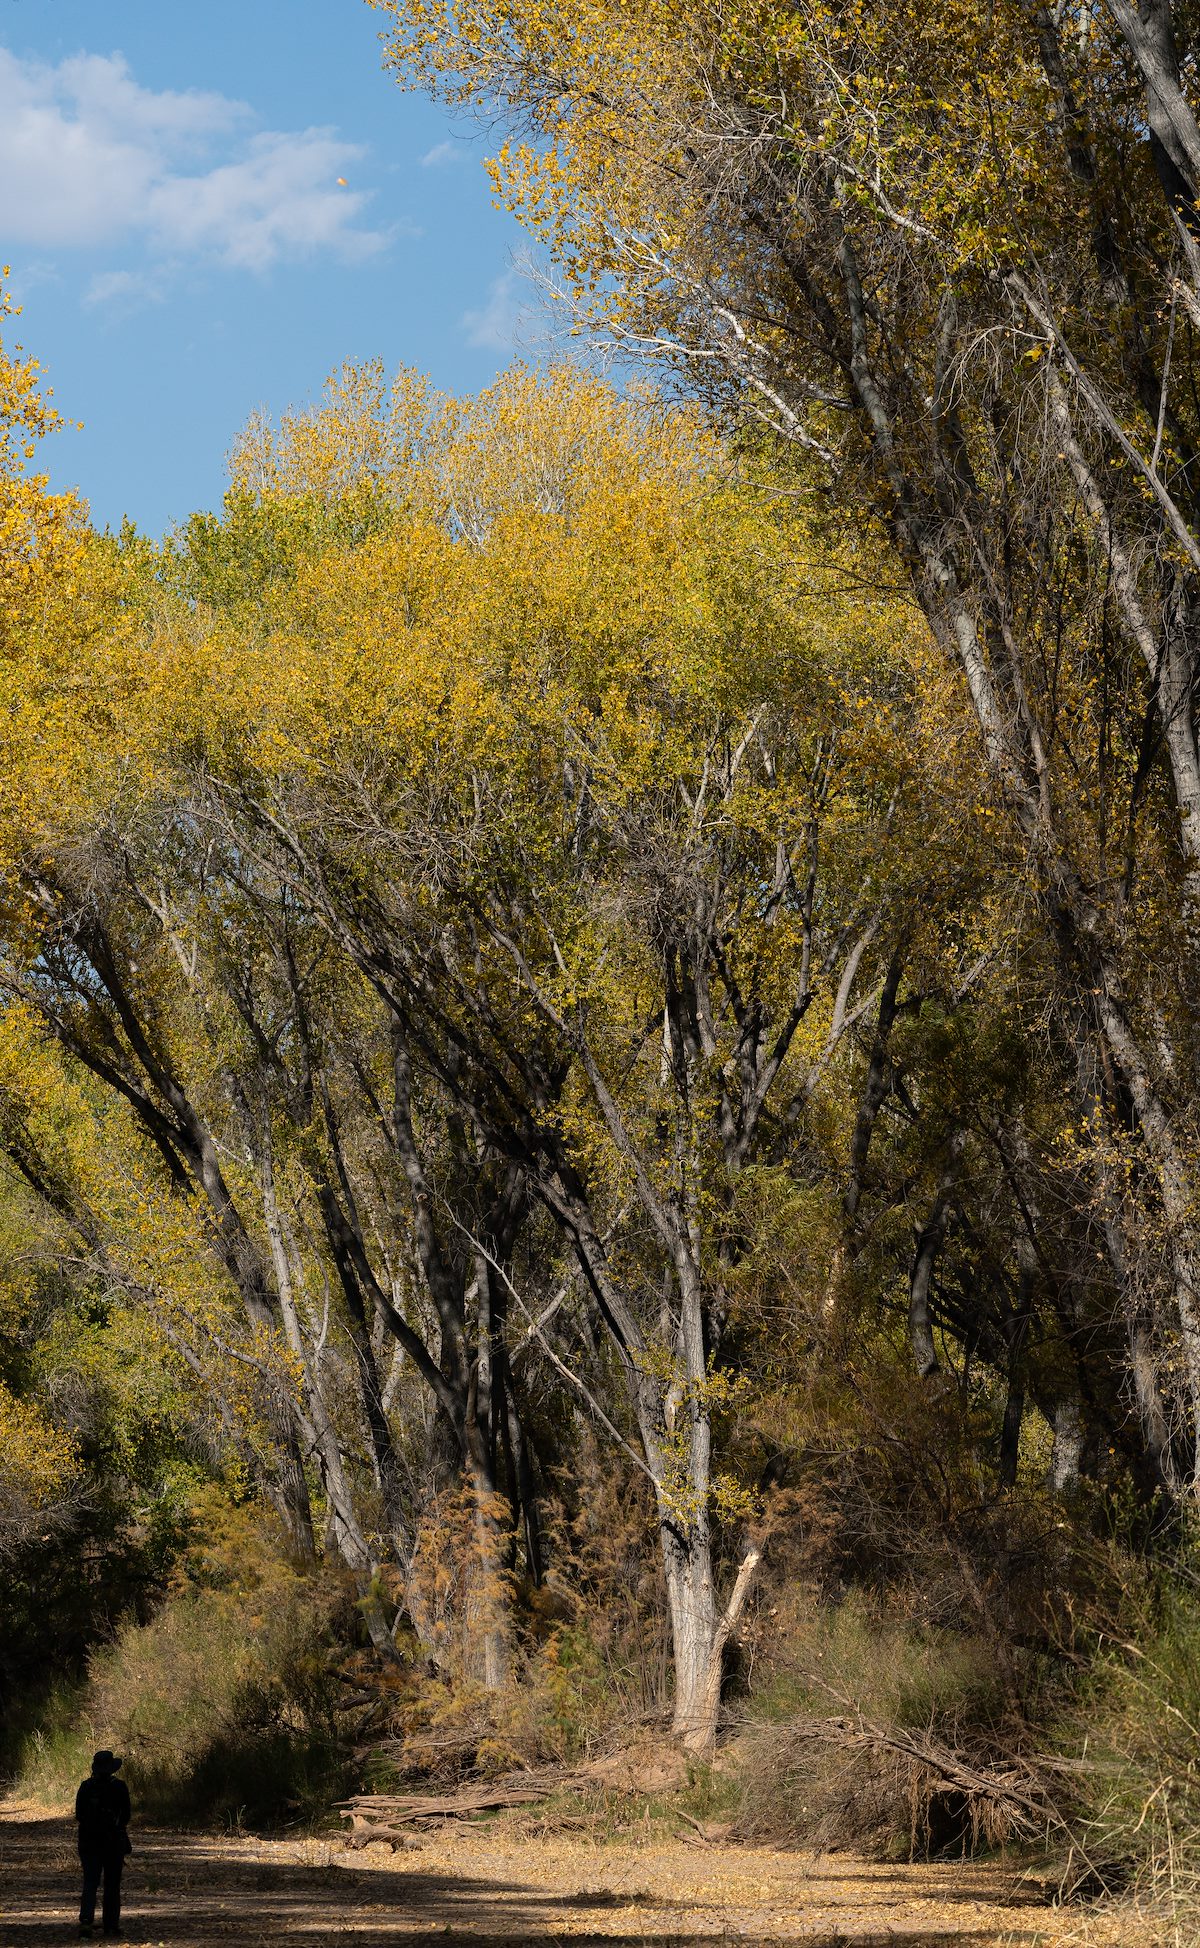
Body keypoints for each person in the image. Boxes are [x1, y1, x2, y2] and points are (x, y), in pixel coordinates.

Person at [74, 1750, 131, 1939]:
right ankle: (111, 1925)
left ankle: (85, 1923)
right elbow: (126, 1816)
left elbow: (79, 1815)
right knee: (112, 1884)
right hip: (113, 1841)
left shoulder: (86, 1786)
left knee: (90, 1882)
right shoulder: (120, 1787)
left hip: (88, 1841)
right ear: (112, 1768)